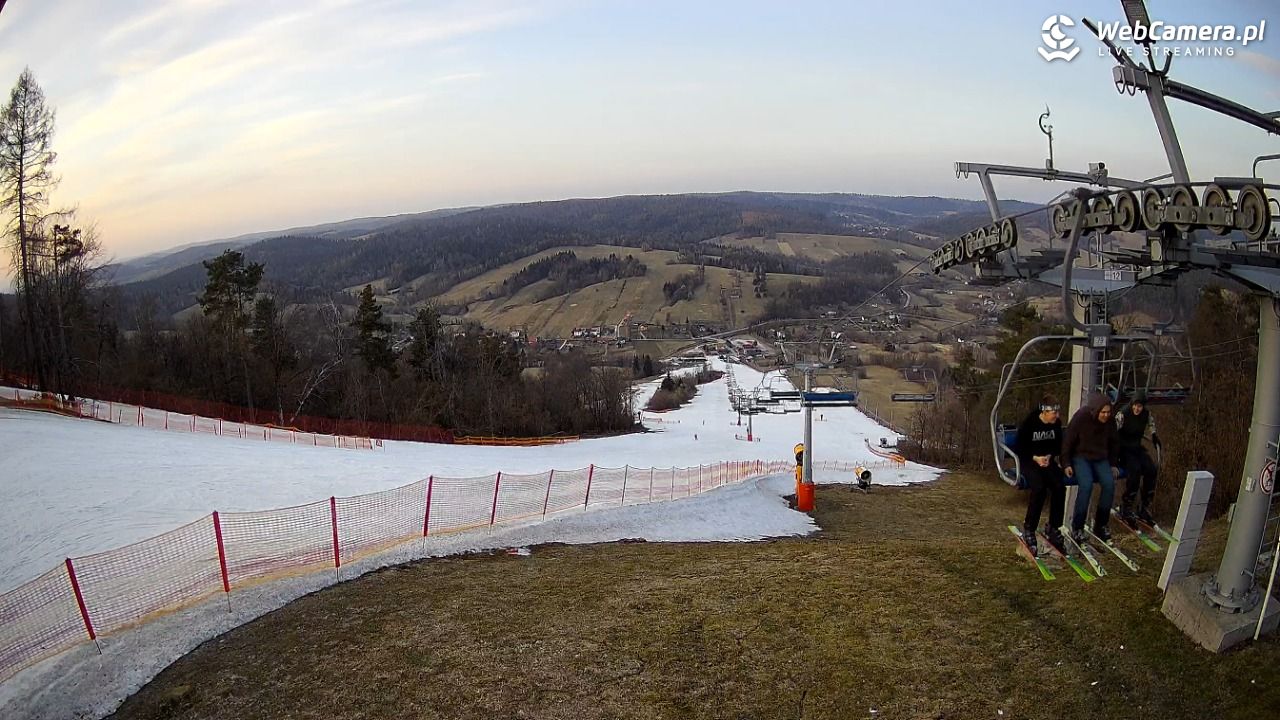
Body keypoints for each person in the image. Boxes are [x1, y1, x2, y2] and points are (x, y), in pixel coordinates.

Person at [1061, 392, 1120, 543]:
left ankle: (1101, 524)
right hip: (1081, 456)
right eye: (1103, 412)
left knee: (1109, 484)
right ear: (1096, 410)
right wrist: (1066, 463)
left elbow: (1114, 443)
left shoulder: (1110, 422)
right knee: (1086, 486)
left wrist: (1113, 464)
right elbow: (1068, 440)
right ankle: (1077, 527)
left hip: (1100, 457)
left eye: (1108, 412)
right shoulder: (1081, 417)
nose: (1106, 415)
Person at [1015, 394, 1066, 554]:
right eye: (1053, 412)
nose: (1056, 416)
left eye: (1057, 412)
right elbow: (1020, 447)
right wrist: (1035, 458)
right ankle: (1029, 528)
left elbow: (1057, 445)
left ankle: (1053, 526)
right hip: (1030, 461)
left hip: (1046, 460)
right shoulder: (1030, 424)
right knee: (1039, 489)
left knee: (1059, 486)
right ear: (1044, 411)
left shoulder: (1056, 424)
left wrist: (1049, 456)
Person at [1116, 390, 1161, 526]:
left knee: (1151, 469)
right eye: (1135, 405)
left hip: (1136, 447)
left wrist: (1153, 435)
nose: (1137, 409)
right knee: (1134, 471)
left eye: (1140, 406)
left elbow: (1151, 423)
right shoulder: (1123, 414)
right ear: (1132, 404)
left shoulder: (1146, 414)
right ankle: (1126, 506)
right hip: (1124, 449)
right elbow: (1113, 430)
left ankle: (1144, 506)